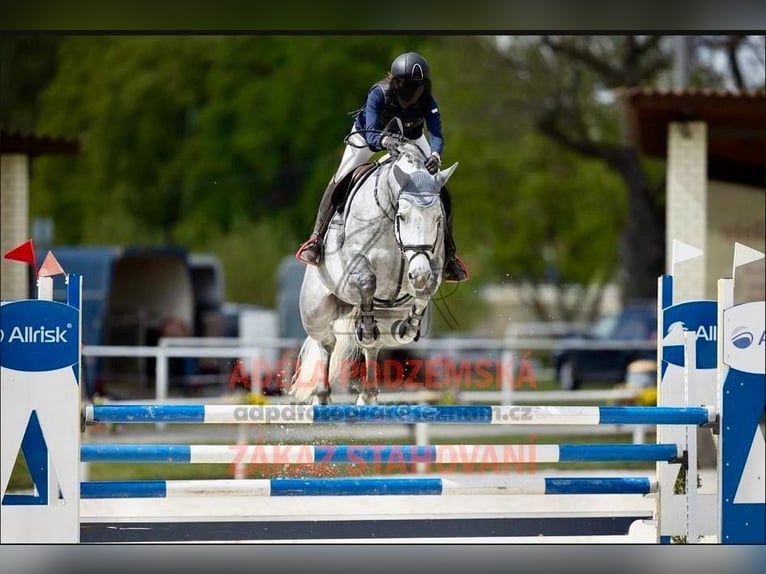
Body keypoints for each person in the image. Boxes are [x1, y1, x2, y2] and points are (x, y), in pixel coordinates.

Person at [295, 51, 469, 282]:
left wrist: (435, 156)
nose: (413, 94)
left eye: (417, 87)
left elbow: (436, 134)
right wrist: (385, 141)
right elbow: (372, 130)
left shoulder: (428, 100)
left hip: (411, 138)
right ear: (396, 82)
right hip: (369, 136)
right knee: (341, 177)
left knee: (439, 187)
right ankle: (316, 239)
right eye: (408, 86)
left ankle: (449, 256)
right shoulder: (379, 93)